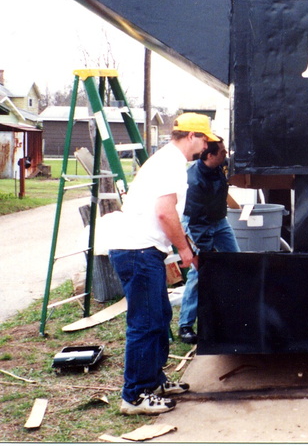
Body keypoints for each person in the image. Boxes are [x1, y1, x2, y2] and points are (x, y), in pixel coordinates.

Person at [108, 112, 219, 415]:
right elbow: (165, 213)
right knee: (144, 323)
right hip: (137, 251)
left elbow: (168, 216)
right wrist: (184, 250)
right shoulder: (170, 164)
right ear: (192, 136)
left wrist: (186, 245)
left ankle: (153, 380)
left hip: (144, 250)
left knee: (158, 317)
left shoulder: (168, 161)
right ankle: (134, 396)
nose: (206, 145)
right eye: (205, 139)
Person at [178, 137, 239, 344]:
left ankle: (234, 314)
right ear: (210, 156)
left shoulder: (219, 164)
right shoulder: (194, 181)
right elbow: (197, 222)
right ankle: (185, 325)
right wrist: (206, 252)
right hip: (197, 223)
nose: (226, 154)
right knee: (200, 271)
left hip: (219, 221)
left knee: (236, 261)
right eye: (222, 152)